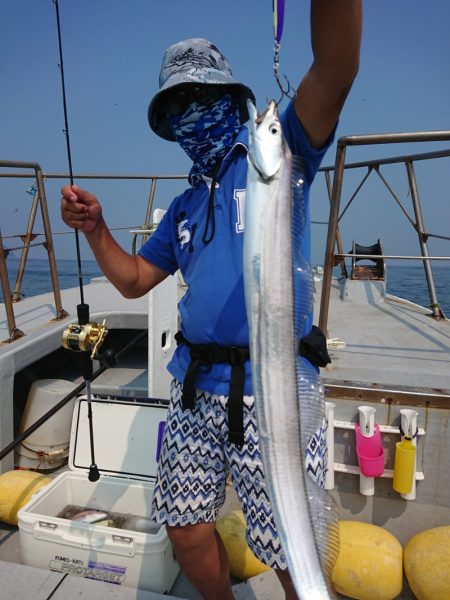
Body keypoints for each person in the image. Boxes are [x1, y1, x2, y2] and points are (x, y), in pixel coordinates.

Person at [61, 3, 362, 598]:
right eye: (176, 107)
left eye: (201, 96)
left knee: (287, 539)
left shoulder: (282, 156)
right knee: (186, 528)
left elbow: (336, 66)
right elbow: (135, 279)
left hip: (271, 387)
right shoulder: (183, 207)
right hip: (193, 389)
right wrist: (97, 231)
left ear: (232, 99)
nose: (189, 113)